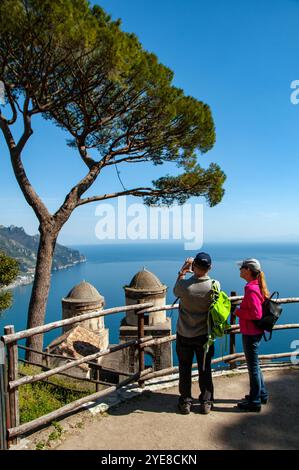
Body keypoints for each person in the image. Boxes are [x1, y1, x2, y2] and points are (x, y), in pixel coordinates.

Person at [173, 252, 220, 415]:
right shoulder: (214, 285)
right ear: (210, 267)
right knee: (205, 368)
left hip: (184, 334)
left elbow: (175, 291)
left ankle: (185, 401)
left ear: (193, 266)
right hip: (205, 336)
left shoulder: (184, 286)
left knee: (184, 368)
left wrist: (183, 270)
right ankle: (206, 402)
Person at [235, 258, 269, 412]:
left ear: (248, 269)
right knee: (255, 365)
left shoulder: (251, 288)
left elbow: (256, 314)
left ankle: (255, 401)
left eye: (241, 267)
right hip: (255, 332)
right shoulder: (256, 286)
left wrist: (237, 311)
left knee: (253, 367)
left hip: (251, 332)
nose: (239, 270)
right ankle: (261, 394)